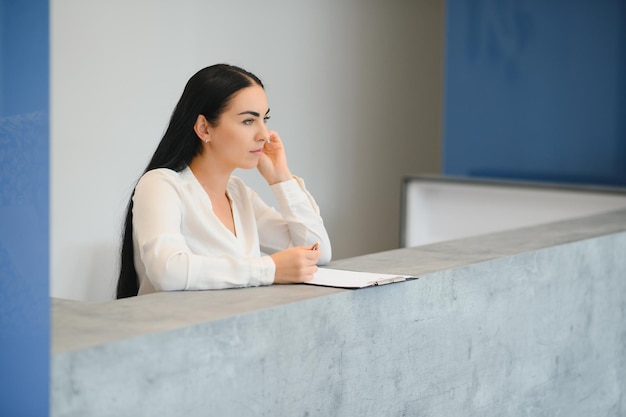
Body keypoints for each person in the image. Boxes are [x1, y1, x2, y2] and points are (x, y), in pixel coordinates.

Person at [116, 64, 331, 298]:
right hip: (177, 332)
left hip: (233, 330)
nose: (264, 135)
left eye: (264, 119)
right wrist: (270, 269)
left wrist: (282, 179)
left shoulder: (239, 193)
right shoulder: (161, 185)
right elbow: (167, 271)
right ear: (204, 128)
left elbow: (318, 252)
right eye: (248, 121)